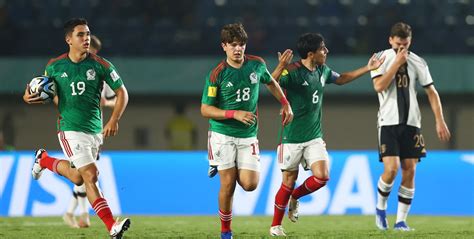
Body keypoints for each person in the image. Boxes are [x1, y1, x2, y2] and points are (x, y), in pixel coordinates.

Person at [22, 18, 130, 238]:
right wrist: (27, 96)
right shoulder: (54, 66)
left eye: (88, 34)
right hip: (70, 129)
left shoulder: (101, 64)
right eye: (81, 35)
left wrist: (113, 120)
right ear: (68, 39)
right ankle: (112, 226)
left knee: (78, 178)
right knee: (91, 175)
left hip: (95, 131)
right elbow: (43, 91)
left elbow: (122, 93)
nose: (86, 38)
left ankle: (43, 160)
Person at [268, 33, 385, 236]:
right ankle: (275, 226)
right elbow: (270, 82)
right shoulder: (293, 71)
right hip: (291, 137)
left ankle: (295, 197)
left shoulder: (322, 70)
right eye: (323, 48)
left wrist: (368, 68)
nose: (327, 51)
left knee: (322, 177)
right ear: (311, 53)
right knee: (287, 181)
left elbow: (341, 79)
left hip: (314, 136)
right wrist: (280, 66)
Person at [200, 23, 293, 239]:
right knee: (228, 184)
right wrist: (235, 114)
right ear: (224, 46)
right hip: (222, 134)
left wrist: (285, 103)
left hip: (248, 135)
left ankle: (222, 164)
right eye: (233, 45)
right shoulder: (217, 74)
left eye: (241, 44)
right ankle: (225, 232)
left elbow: (270, 82)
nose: (238, 49)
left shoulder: (257, 65)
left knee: (250, 185)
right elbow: (205, 109)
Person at [372, 22, 450, 231]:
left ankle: (400, 221)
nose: (402, 49)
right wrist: (396, 63)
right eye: (398, 45)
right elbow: (379, 86)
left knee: (410, 170)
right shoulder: (381, 58)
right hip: (388, 122)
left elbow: (431, 92)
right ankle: (380, 209)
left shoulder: (418, 62)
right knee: (391, 169)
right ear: (390, 41)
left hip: (412, 124)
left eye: (405, 45)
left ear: (410, 41)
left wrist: (439, 120)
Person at [62, 34, 117, 229]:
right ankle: (83, 214)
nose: (92, 54)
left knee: (80, 175)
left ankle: (72, 212)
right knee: (87, 174)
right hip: (74, 129)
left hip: (95, 131)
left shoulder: (99, 69)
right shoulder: (68, 70)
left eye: (94, 52)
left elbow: (116, 97)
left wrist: (107, 103)